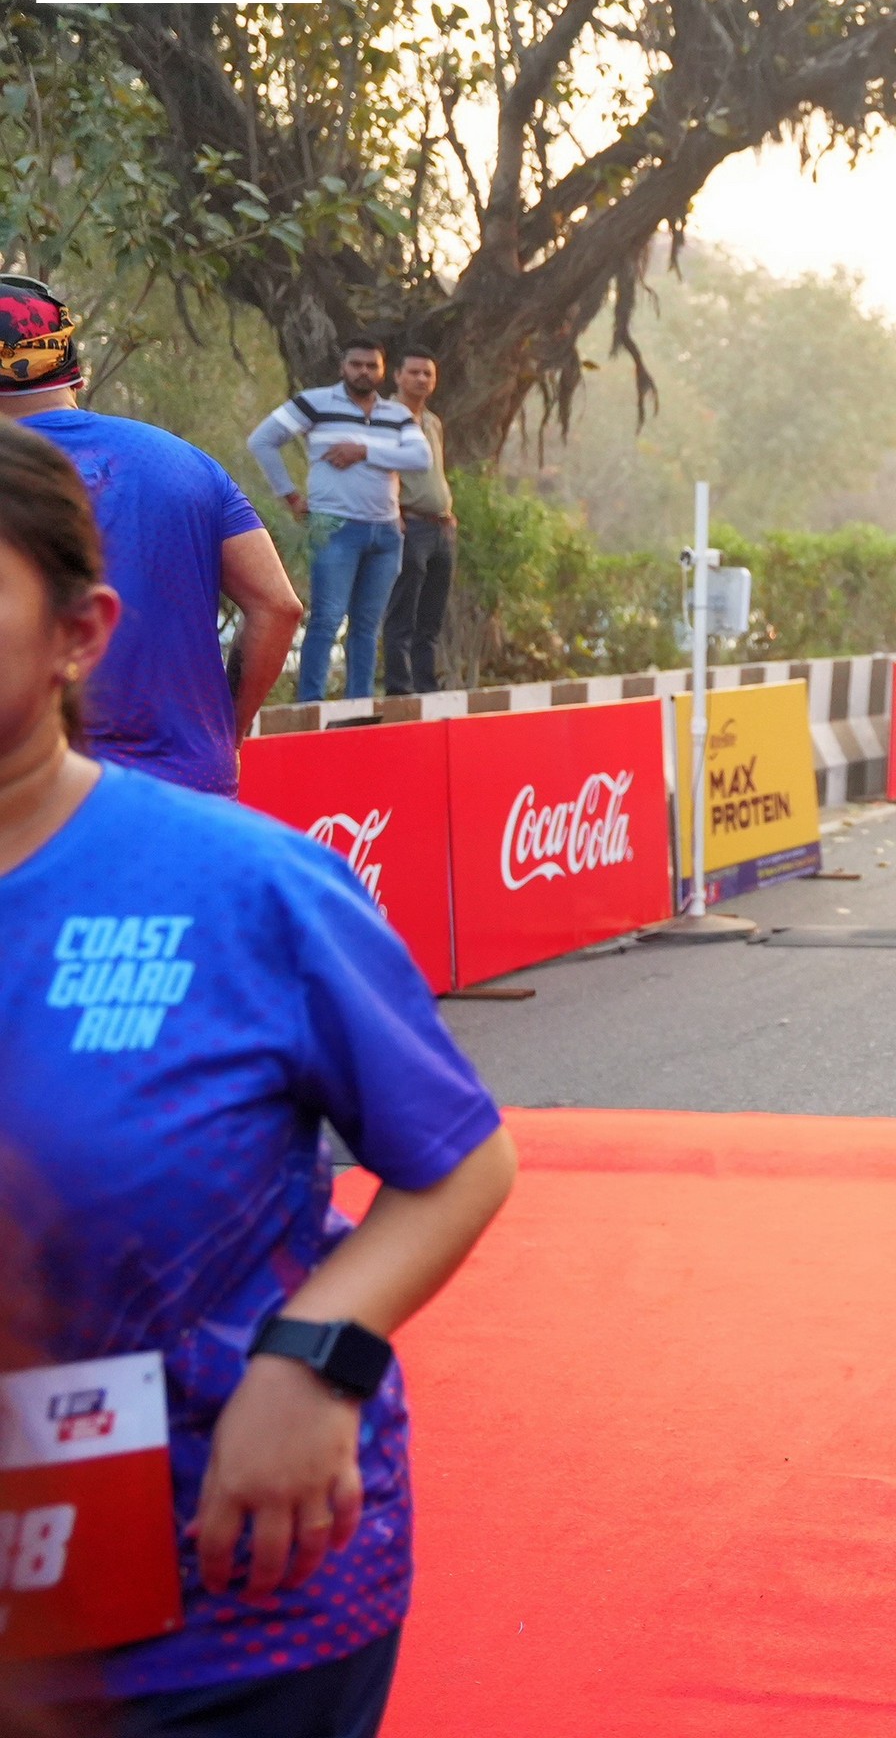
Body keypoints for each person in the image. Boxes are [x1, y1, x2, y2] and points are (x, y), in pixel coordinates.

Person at [0, 420, 516, 1736]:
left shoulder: (243, 885)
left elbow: (458, 1157)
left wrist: (315, 1357)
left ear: (78, 633)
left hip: (225, 1612)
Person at [0, 277, 302, 794]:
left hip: (39, 800)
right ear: (73, 369)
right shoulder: (185, 462)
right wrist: (225, 732)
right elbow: (278, 606)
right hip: (193, 786)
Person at [249, 339, 432, 704]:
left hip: (385, 532)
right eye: (356, 364)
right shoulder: (315, 403)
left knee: (367, 626)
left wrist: (363, 451)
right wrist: (290, 496)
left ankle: (359, 706)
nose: (364, 371)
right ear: (342, 367)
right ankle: (311, 706)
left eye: (372, 365)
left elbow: (420, 458)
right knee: (327, 619)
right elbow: (262, 440)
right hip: (335, 528)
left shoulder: (396, 414)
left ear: (383, 371)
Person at [377, 349, 457, 696]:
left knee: (431, 618)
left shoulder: (433, 422)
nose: (422, 379)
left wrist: (449, 514)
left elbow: (435, 473)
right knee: (402, 612)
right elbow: (379, 468)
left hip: (441, 527)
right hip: (409, 525)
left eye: (428, 373)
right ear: (397, 376)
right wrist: (393, 512)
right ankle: (400, 689)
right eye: (414, 372)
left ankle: (427, 689)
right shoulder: (384, 417)